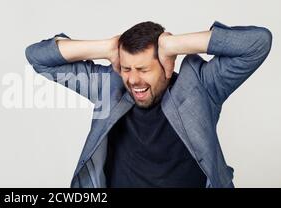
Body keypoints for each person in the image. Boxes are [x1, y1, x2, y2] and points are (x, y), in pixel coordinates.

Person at [25, 21, 272, 188]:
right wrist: (107, 47)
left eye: (143, 69)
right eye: (126, 68)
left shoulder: (202, 86)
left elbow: (258, 43)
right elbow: (38, 58)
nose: (133, 79)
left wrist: (174, 45)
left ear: (167, 64)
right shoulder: (110, 86)